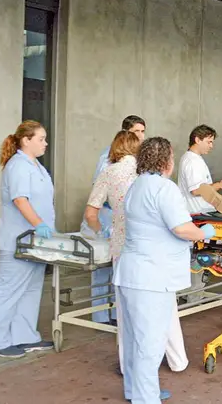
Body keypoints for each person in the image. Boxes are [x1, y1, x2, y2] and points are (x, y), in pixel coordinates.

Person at [113, 136, 216, 403]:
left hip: (130, 274)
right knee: (150, 344)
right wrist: (203, 232)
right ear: (166, 161)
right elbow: (180, 228)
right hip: (151, 278)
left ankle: (137, 391)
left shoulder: (137, 185)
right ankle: (146, 399)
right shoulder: (164, 189)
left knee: (136, 340)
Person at [83, 131, 189, 377]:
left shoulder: (107, 172)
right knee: (164, 312)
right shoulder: (148, 177)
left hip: (122, 252)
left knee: (128, 319)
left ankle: (127, 368)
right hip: (154, 252)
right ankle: (177, 360)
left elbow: (91, 214)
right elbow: (175, 222)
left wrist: (105, 232)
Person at [0, 120, 56, 358]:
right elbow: (20, 200)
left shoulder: (36, 166)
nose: (45, 143)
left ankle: (24, 337)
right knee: (7, 290)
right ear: (26, 140)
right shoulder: (18, 166)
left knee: (31, 290)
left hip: (36, 242)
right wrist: (40, 225)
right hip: (19, 240)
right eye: (41, 139)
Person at [89, 115, 147, 325]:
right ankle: (100, 315)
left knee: (118, 271)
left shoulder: (139, 160)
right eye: (137, 132)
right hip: (108, 215)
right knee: (103, 270)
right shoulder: (108, 157)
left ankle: (115, 313)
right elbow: (99, 189)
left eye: (143, 131)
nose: (141, 135)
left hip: (123, 221)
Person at [177, 124, 222, 214]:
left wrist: (221, 185)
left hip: (202, 211)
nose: (211, 146)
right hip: (199, 213)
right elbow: (196, 190)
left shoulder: (194, 158)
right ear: (197, 140)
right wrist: (220, 185)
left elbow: (203, 186)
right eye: (209, 142)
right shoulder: (192, 161)